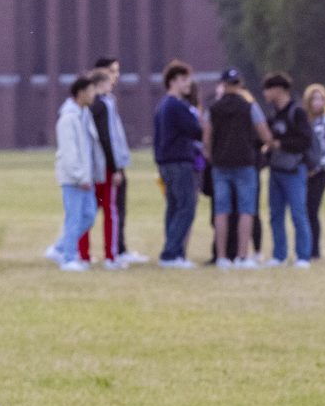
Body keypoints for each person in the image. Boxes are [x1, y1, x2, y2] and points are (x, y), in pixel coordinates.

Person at [202, 69, 267, 267]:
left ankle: (221, 257)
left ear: (223, 84)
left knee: (221, 211)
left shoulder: (213, 108)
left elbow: (206, 137)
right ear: (239, 84)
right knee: (246, 210)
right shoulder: (249, 107)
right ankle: (242, 256)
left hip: (220, 164)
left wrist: (212, 155)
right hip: (245, 164)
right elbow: (265, 134)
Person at [78, 57, 139, 266]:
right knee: (110, 211)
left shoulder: (86, 107)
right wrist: (116, 167)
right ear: (99, 84)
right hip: (105, 166)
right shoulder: (105, 104)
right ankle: (111, 256)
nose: (112, 83)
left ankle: (83, 255)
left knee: (87, 210)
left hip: (90, 166)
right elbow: (108, 138)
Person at [151, 61, 203, 268]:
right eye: (183, 80)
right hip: (180, 162)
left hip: (166, 163)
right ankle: (171, 254)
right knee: (186, 207)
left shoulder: (162, 106)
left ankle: (175, 252)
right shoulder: (176, 106)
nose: (187, 84)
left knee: (174, 208)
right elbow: (196, 131)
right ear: (172, 82)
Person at [48, 76, 102, 272]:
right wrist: (80, 176)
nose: (93, 94)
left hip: (85, 177)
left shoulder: (83, 114)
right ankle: (68, 258)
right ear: (81, 93)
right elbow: (69, 152)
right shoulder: (68, 118)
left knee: (88, 216)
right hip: (74, 178)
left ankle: (59, 248)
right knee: (74, 217)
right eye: (90, 91)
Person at [261, 73, 315, 268]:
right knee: (275, 214)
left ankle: (303, 256)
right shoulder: (273, 113)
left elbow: (305, 140)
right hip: (276, 169)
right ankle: (279, 255)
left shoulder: (297, 112)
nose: (265, 93)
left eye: (268, 88)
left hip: (294, 170)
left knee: (298, 213)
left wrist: (280, 143)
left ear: (279, 89)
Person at [302, 82, 325, 260]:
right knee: (302, 210)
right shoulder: (304, 121)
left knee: (312, 210)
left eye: (320, 99)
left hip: (319, 173)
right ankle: (304, 246)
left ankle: (314, 249)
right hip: (303, 172)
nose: (317, 102)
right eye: (314, 99)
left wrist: (317, 168)